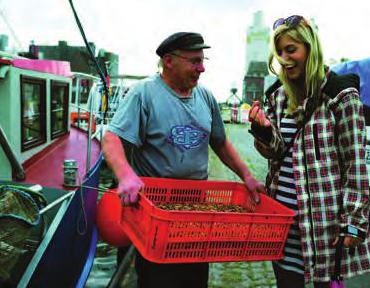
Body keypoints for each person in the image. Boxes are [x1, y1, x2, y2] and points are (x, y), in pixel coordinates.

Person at [102, 31, 266, 288]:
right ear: (169, 60)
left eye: (203, 61)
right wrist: (125, 176)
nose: (201, 68)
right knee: (156, 279)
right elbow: (111, 138)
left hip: (196, 211)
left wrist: (247, 176)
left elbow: (220, 142)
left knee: (194, 277)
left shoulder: (206, 97)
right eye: (194, 61)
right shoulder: (143, 94)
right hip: (153, 211)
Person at [248, 15, 370, 287]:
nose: (284, 58)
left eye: (291, 49)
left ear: (310, 48)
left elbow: (355, 165)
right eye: (280, 51)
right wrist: (262, 129)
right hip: (282, 224)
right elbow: (276, 152)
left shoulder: (341, 96)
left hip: (322, 226)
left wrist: (353, 222)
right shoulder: (278, 95)